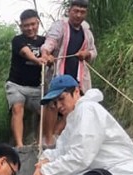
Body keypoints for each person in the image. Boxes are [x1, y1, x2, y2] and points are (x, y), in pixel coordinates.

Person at [40, 0, 96, 147]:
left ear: (86, 13)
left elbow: (93, 51)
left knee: (72, 107)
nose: (78, 15)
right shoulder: (60, 26)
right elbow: (50, 42)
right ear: (69, 10)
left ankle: (58, 137)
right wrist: (46, 53)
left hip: (77, 77)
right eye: (75, 11)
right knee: (52, 105)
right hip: (59, 74)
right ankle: (47, 140)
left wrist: (87, 54)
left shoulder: (87, 32)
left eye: (82, 12)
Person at [5, 9, 49, 149]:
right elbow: (25, 52)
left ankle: (39, 142)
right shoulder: (18, 40)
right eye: (26, 26)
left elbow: (49, 53)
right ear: (21, 26)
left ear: (38, 23)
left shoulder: (45, 41)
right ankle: (20, 145)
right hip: (16, 85)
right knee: (17, 108)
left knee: (46, 112)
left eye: (32, 24)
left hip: (36, 87)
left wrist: (49, 58)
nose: (30, 28)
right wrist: (38, 60)